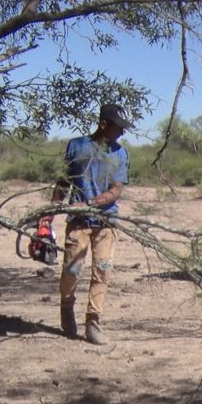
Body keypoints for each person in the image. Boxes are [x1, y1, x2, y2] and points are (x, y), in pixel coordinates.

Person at [39, 103, 133, 345]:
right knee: (71, 270)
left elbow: (116, 190)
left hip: (106, 223)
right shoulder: (76, 146)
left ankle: (93, 321)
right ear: (103, 124)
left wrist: (90, 203)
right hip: (78, 222)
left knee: (102, 270)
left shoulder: (121, 154)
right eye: (118, 127)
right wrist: (49, 215)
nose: (122, 132)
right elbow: (64, 182)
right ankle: (66, 308)